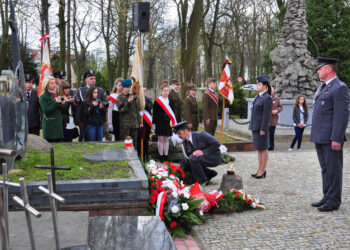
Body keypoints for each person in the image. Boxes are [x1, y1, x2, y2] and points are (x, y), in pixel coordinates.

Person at [310, 57, 349, 212]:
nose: (318, 71)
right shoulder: (323, 87)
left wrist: (336, 138)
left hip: (331, 137)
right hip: (320, 135)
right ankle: (327, 196)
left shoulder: (339, 87)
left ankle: (334, 200)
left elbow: (342, 115)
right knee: (325, 168)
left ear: (328, 69)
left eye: (320, 68)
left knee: (333, 169)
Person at [248, 75, 273, 179]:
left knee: (263, 149)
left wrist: (263, 128)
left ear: (265, 86)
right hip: (255, 126)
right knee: (259, 149)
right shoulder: (258, 97)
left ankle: (262, 170)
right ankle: (259, 169)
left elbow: (266, 115)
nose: (257, 86)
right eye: (257, 84)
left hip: (261, 127)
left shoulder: (267, 98)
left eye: (259, 84)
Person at [75, 70, 106, 141]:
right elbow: (79, 107)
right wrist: (79, 121)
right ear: (86, 79)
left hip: (98, 120)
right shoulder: (81, 90)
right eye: (91, 79)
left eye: (94, 78)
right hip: (86, 120)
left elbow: (104, 103)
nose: (93, 80)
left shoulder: (100, 90)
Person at [153, 83, 176, 162]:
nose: (166, 92)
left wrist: (173, 123)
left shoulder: (171, 101)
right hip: (159, 123)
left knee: (166, 139)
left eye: (167, 91)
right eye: (165, 91)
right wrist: (154, 124)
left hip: (167, 123)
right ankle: (161, 156)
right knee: (160, 139)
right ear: (161, 91)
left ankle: (166, 156)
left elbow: (173, 113)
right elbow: (155, 114)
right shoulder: (157, 101)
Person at [39, 76, 65, 142]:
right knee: (51, 148)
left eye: (55, 83)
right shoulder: (43, 96)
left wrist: (62, 103)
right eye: (52, 83)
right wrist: (56, 103)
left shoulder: (55, 94)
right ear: (46, 85)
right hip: (50, 125)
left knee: (59, 148)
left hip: (58, 124)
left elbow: (59, 109)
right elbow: (45, 111)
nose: (54, 85)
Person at [117, 79, 141, 150]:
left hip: (134, 124)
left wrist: (139, 122)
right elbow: (121, 110)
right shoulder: (120, 98)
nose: (129, 89)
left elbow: (137, 111)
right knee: (126, 145)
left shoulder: (133, 97)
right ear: (123, 88)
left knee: (135, 145)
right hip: (125, 126)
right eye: (127, 87)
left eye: (129, 87)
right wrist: (128, 102)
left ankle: (135, 159)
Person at [138, 85, 153, 160]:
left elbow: (150, 107)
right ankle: (139, 156)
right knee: (139, 140)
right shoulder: (136, 99)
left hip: (147, 123)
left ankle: (145, 157)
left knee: (146, 140)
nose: (143, 92)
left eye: (144, 90)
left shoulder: (148, 99)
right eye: (142, 90)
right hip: (139, 123)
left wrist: (143, 102)